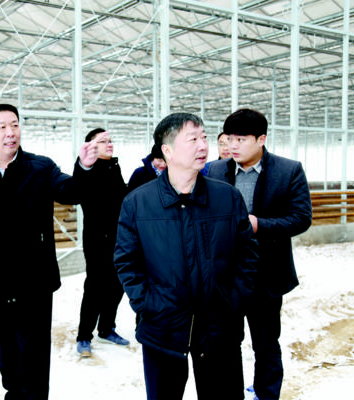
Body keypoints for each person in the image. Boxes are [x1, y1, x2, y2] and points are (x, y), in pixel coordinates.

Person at [0, 103, 99, 400]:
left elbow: (71, 191)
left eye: (15, 125)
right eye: (2, 127)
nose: (11, 132)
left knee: (34, 357)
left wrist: (84, 167)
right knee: (8, 355)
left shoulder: (40, 168)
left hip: (35, 282)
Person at [114, 112, 259, 400]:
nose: (203, 145)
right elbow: (126, 261)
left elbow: (247, 255)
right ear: (167, 151)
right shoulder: (138, 202)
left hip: (219, 326)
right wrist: (148, 304)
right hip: (163, 328)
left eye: (204, 137)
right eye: (192, 139)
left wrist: (233, 300)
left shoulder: (227, 197)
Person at [207, 108, 312, 400]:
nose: (233, 146)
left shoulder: (288, 170)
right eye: (229, 139)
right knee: (227, 342)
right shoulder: (216, 170)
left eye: (241, 139)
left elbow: (301, 218)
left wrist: (259, 225)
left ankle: (267, 395)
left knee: (265, 344)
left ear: (261, 139)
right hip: (226, 277)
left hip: (266, 276)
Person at [75, 128, 129, 357]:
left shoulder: (114, 167)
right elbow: (78, 189)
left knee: (117, 285)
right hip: (97, 240)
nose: (109, 144)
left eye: (110, 140)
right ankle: (84, 336)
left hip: (119, 238)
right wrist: (83, 165)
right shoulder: (88, 169)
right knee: (95, 288)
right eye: (103, 141)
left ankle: (106, 328)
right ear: (91, 146)